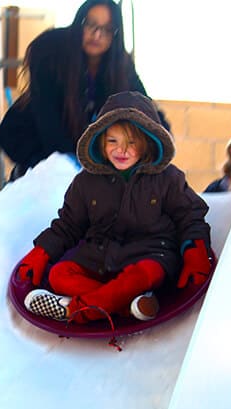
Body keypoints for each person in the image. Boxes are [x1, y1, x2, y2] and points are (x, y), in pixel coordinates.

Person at [16, 91, 212, 324]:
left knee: (145, 274)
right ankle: (128, 306)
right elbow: (68, 225)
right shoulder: (87, 182)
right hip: (100, 257)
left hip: (151, 253)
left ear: (147, 144)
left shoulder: (166, 178)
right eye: (113, 141)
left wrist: (195, 250)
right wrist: (42, 252)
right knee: (59, 275)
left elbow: (189, 215)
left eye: (132, 142)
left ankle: (76, 310)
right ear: (100, 141)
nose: (122, 150)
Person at [0, 0, 169, 181]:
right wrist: (77, 168)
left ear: (115, 35)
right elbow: (49, 122)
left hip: (80, 160)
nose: (97, 35)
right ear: (79, 23)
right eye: (91, 25)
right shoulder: (52, 56)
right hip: (37, 146)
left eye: (107, 29)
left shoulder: (120, 66)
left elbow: (145, 109)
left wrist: (157, 149)